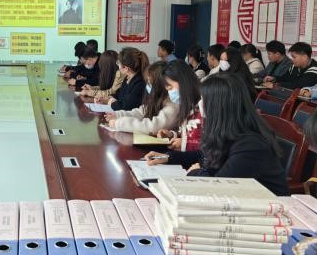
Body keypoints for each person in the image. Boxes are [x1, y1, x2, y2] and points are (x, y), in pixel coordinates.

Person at [143, 73, 290, 196]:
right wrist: (168, 157)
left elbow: (218, 187)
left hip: (266, 212)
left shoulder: (251, 145)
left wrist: (195, 173)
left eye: (203, 99)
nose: (200, 104)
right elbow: (204, 156)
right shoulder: (229, 130)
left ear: (218, 105)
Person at [105, 61, 179, 134]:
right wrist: (118, 115)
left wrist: (120, 123)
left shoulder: (173, 105)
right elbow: (140, 112)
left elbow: (152, 126)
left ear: (160, 85)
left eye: (150, 83)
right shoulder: (157, 99)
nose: (147, 86)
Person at [156, 60, 202, 151]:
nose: (170, 93)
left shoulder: (204, 105)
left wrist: (185, 143)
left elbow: (212, 142)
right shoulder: (186, 104)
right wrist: (171, 135)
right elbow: (187, 133)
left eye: (171, 87)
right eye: (168, 89)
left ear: (184, 81)